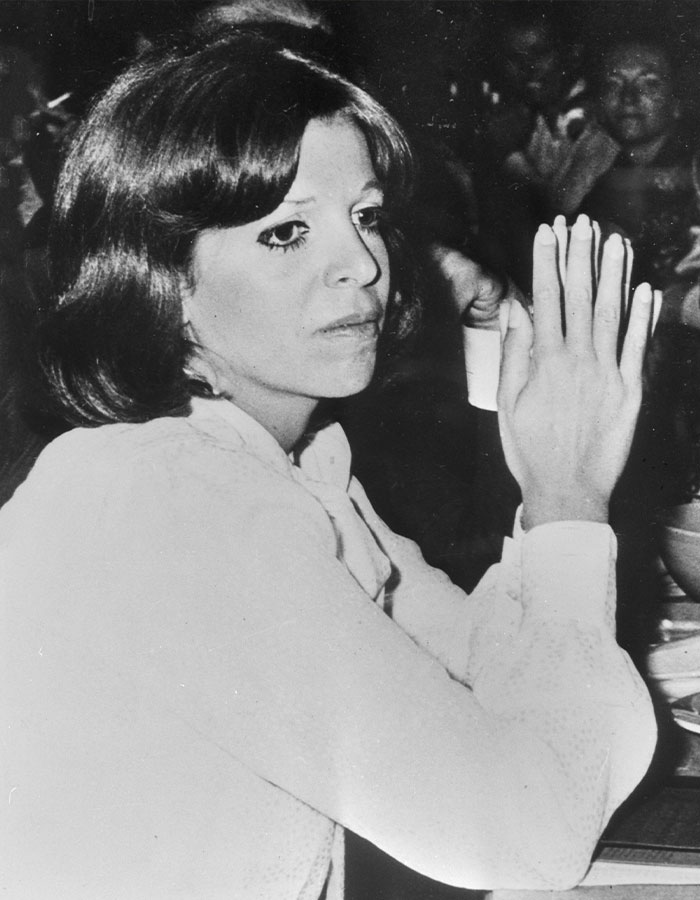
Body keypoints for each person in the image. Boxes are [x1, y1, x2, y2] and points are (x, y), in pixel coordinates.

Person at [1, 31, 656, 898]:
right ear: (161, 279)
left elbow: (491, 668)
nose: (363, 263)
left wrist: (550, 511)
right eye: (287, 233)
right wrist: (568, 498)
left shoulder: (293, 462)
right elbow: (526, 832)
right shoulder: (173, 497)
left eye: (367, 216)